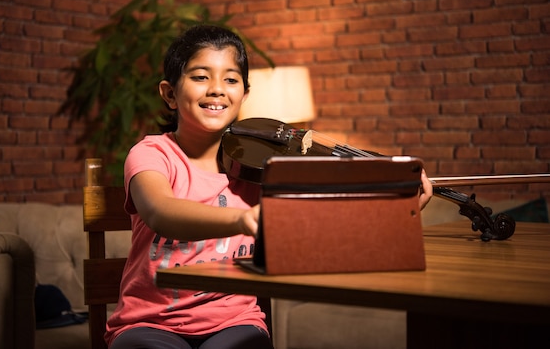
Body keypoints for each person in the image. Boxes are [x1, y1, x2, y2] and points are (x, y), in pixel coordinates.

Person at [105, 25, 434, 349]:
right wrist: (241, 220)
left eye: (231, 79)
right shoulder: (152, 154)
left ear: (244, 95)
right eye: (201, 76)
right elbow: (160, 211)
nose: (217, 89)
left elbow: (328, 221)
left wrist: (396, 202)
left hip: (234, 322)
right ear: (169, 93)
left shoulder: (261, 167)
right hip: (149, 322)